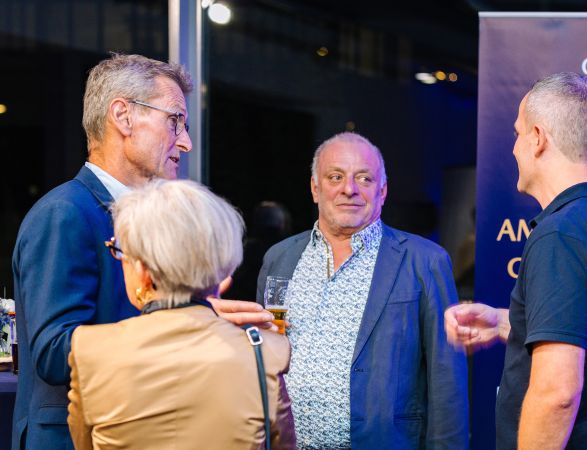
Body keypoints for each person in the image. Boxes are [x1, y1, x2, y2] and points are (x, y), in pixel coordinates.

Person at [11, 53, 270, 450]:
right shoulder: (64, 213)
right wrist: (190, 320)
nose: (185, 142)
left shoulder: (149, 221)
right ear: (123, 116)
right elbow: (55, 352)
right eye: (175, 121)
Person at [445, 72, 587, 449]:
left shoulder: (562, 234)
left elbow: (557, 393)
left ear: (538, 138)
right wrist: (505, 322)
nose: (513, 148)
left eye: (518, 133)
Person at [257, 132, 469, 449]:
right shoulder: (279, 259)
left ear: (382, 191)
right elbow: (263, 359)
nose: (349, 189)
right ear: (315, 188)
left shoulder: (424, 262)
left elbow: (446, 378)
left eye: (364, 178)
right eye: (335, 177)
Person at [66, 179, 295, 450]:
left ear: (142, 270)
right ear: (223, 271)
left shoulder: (90, 349)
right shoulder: (267, 353)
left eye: (121, 252)